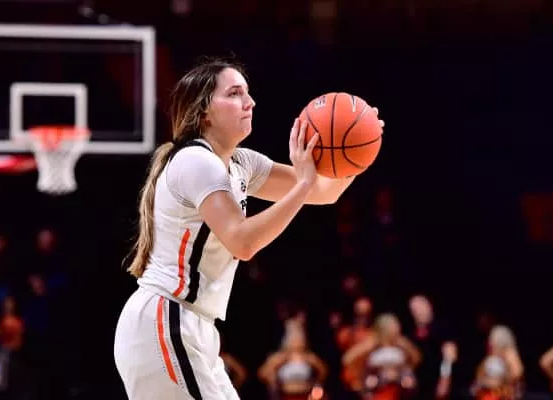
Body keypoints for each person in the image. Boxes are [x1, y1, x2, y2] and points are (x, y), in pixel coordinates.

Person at [113, 58, 383, 400]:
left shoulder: (241, 163)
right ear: (205, 112)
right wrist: (303, 183)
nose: (250, 102)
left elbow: (324, 192)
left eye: (248, 92)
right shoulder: (195, 160)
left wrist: (361, 147)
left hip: (192, 327)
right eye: (235, 93)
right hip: (166, 320)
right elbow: (242, 241)